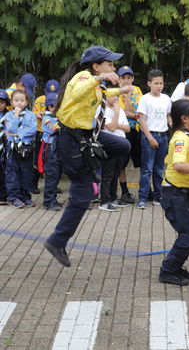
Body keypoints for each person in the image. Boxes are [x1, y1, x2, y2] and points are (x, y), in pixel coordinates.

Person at [44, 45, 132, 267]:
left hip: (85, 136)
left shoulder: (93, 82)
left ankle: (90, 171)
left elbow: (99, 94)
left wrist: (119, 91)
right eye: (109, 64)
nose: (113, 68)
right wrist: (101, 77)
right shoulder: (83, 77)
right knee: (83, 195)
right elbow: (78, 92)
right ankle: (57, 240)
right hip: (70, 141)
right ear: (96, 66)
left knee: (122, 145)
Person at [159, 99, 189, 286]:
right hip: (176, 195)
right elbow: (179, 165)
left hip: (187, 194)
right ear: (185, 118)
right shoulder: (181, 139)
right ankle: (168, 270)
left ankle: (176, 266)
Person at [137, 69, 171, 209]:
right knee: (147, 169)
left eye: (161, 83)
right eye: (156, 83)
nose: (159, 86)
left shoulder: (166, 98)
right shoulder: (145, 99)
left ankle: (158, 196)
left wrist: (170, 122)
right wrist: (150, 138)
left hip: (163, 136)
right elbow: (142, 120)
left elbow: (168, 115)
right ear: (149, 83)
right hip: (149, 136)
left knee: (159, 169)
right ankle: (143, 198)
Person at [98, 92, 130, 211]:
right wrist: (116, 113)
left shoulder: (120, 110)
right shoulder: (103, 110)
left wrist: (117, 123)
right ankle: (104, 201)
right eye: (113, 95)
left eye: (117, 95)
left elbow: (127, 128)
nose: (116, 98)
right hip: (110, 145)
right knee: (108, 173)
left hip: (121, 144)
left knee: (116, 173)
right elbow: (110, 127)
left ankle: (113, 198)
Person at [4, 90, 37, 208]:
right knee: (13, 172)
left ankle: (25, 196)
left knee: (26, 172)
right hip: (12, 149)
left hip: (25, 147)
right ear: (12, 102)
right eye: (16, 100)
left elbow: (32, 130)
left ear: (27, 102)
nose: (19, 103)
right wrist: (16, 116)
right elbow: (9, 130)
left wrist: (18, 135)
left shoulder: (31, 115)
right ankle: (14, 197)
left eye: (22, 100)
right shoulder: (8, 115)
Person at [117, 66, 143, 204]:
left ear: (133, 78)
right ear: (119, 79)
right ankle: (125, 192)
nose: (127, 81)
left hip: (138, 130)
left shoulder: (138, 90)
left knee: (141, 162)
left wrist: (134, 115)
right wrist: (127, 96)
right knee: (122, 163)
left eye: (129, 78)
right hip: (124, 132)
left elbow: (142, 110)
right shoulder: (117, 93)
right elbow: (124, 112)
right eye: (123, 78)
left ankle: (144, 190)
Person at [32, 79, 59, 194]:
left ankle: (53, 187)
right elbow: (35, 113)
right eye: (51, 106)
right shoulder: (40, 101)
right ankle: (35, 185)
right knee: (42, 162)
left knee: (54, 166)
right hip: (43, 137)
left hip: (54, 142)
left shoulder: (59, 101)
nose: (53, 107)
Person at [40, 92, 63, 211]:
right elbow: (55, 129)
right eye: (56, 106)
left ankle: (53, 198)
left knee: (57, 173)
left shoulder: (55, 117)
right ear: (50, 107)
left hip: (57, 148)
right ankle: (48, 201)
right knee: (52, 174)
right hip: (49, 149)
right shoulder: (47, 119)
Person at [0, 89, 10, 205]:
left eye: (2, 102)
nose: (0, 105)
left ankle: (2, 196)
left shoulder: (8, 116)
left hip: (4, 149)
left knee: (3, 172)